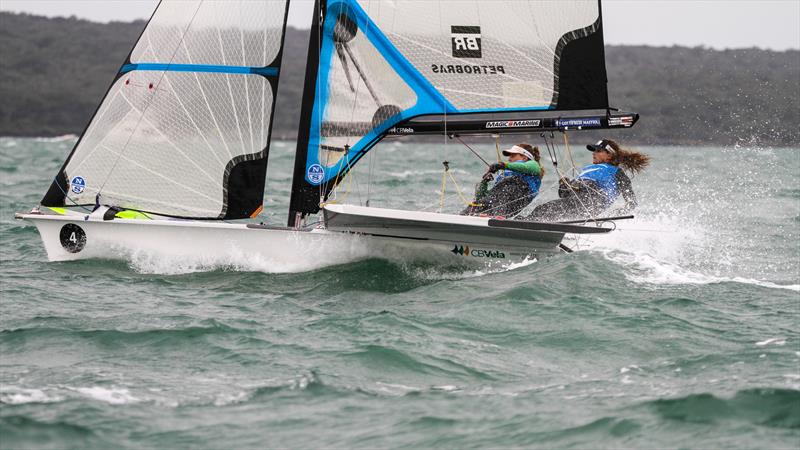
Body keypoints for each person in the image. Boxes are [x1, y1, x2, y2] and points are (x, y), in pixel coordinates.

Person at [525, 139, 650, 222]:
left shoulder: (617, 173)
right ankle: (521, 224)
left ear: (609, 155)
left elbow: (632, 202)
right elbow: (564, 194)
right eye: (594, 150)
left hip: (591, 204)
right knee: (542, 209)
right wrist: (564, 184)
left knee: (545, 210)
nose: (593, 153)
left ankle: (524, 225)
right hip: (575, 202)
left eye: (598, 151)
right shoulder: (588, 169)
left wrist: (613, 215)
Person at [462, 143, 544, 217]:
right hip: (498, 203)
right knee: (479, 202)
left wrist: (503, 165)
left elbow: (525, 167)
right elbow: (484, 196)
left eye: (513, 156)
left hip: (516, 202)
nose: (509, 159)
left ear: (525, 157)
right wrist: (484, 182)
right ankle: (464, 217)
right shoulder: (504, 175)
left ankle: (499, 216)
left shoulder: (533, 165)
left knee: (510, 183)